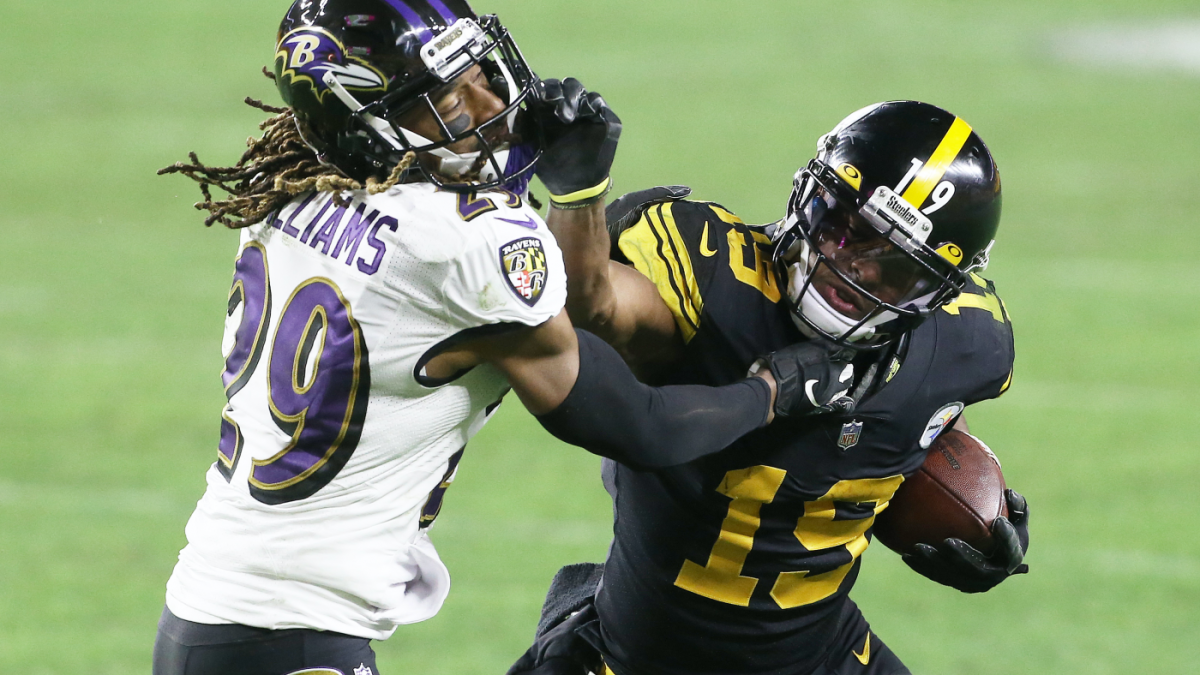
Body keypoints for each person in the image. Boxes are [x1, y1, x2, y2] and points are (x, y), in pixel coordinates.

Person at [150, 2, 859, 674]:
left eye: (481, 76)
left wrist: (574, 198)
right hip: (290, 630)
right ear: (371, 125)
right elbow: (640, 427)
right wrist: (772, 391)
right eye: (452, 101)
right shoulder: (464, 246)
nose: (493, 107)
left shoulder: (296, 184)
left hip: (220, 607)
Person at [511, 100, 1031, 675]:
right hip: (642, 656)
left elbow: (927, 418)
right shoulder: (716, 275)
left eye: (897, 267)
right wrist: (579, 196)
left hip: (822, 656)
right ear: (809, 197)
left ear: (938, 291)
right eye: (847, 230)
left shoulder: (964, 342)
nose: (857, 268)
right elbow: (584, 305)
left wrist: (971, 513)